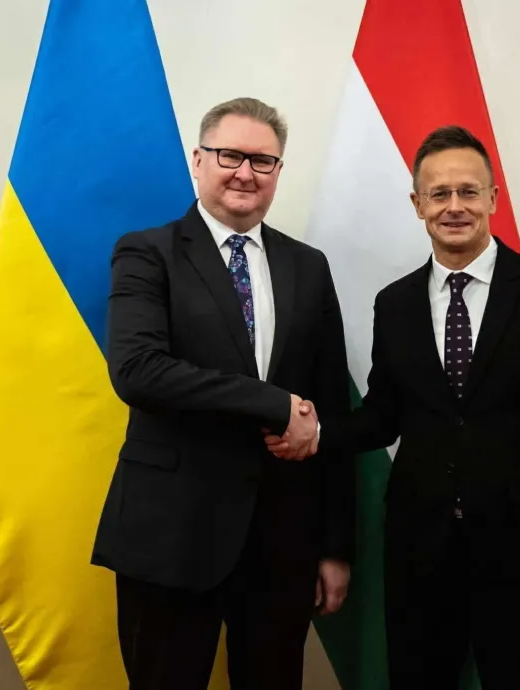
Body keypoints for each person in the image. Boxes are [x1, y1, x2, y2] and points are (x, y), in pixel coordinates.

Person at [267, 125, 520, 688]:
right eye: (439, 193)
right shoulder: (395, 303)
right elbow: (383, 418)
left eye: (468, 191)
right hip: (418, 553)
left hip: (518, 555)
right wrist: (317, 434)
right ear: (418, 204)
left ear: (493, 199)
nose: (454, 206)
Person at [92, 96, 353, 690]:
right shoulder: (146, 252)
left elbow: (328, 410)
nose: (245, 173)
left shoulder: (308, 266)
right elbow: (137, 371)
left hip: (282, 544)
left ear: (279, 171)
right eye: (230, 155)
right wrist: (272, 403)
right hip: (171, 538)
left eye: (263, 161)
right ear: (198, 160)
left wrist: (335, 547)